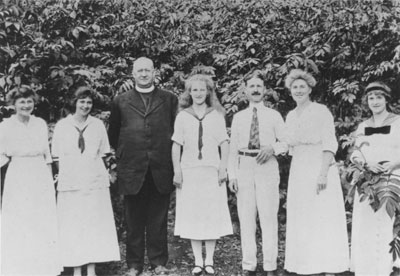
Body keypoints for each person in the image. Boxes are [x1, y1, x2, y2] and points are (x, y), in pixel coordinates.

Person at [108, 57, 178, 276]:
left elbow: (177, 133)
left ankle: (158, 262)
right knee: (133, 218)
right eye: (140, 71)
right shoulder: (121, 100)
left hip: (161, 166)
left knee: (158, 217)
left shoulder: (169, 99)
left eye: (148, 70)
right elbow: (114, 134)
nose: (144, 74)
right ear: (133, 73)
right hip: (132, 167)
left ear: (154, 72)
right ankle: (134, 264)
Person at [283, 69, 349, 275]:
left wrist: (322, 173)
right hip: (299, 168)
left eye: (303, 86)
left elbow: (330, 142)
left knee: (323, 215)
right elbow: (288, 144)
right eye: (295, 87)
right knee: (303, 215)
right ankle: (306, 266)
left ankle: (329, 267)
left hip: (320, 165)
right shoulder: (291, 115)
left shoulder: (321, 111)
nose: (299, 90)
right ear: (290, 91)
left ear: (310, 89)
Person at [51, 87, 120, 276]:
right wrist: (68, 175)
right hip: (71, 183)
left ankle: (90, 270)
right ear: (75, 102)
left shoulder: (97, 125)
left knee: (92, 224)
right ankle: (75, 269)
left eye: (89, 102)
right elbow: (56, 157)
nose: (85, 105)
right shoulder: (62, 126)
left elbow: (104, 153)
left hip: (94, 182)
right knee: (73, 224)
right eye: (82, 101)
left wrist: (99, 173)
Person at [172, 74, 233, 275]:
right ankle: (198, 260)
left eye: (202, 89)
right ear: (189, 93)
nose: (198, 93)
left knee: (210, 214)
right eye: (194, 90)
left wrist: (223, 167)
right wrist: (177, 171)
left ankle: (210, 260)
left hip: (211, 171)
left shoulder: (216, 115)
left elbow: (224, 143)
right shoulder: (182, 116)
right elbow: (176, 146)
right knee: (193, 215)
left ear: (208, 92)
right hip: (189, 172)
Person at [228, 70, 286, 276]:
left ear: (264, 90)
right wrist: (232, 175)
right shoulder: (238, 117)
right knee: (246, 217)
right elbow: (232, 148)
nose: (255, 90)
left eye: (258, 87)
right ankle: (248, 265)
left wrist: (273, 148)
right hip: (244, 165)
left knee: (269, 216)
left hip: (267, 165)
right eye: (251, 86)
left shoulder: (274, 115)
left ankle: (270, 265)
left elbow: (286, 141)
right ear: (245, 91)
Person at [0, 87, 62, 275]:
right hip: (18, 174)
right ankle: (19, 267)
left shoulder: (40, 123)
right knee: (20, 218)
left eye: (29, 101)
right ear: (13, 104)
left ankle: (43, 267)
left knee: (41, 218)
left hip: (40, 174)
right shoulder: (5, 126)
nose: (26, 105)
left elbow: (47, 154)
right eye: (22, 102)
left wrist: (50, 180)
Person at [349, 82, 400, 276]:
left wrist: (393, 164)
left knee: (387, 221)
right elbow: (355, 153)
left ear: (386, 99)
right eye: (371, 98)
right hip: (367, 180)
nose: (375, 101)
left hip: (392, 177)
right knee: (367, 222)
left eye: (379, 97)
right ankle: (367, 268)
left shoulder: (397, 122)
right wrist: (366, 165)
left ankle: (389, 267)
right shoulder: (363, 125)